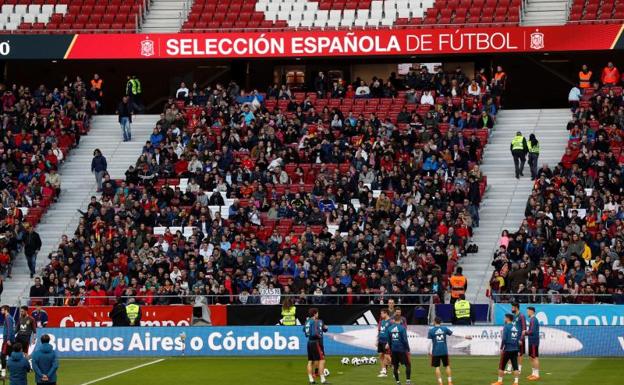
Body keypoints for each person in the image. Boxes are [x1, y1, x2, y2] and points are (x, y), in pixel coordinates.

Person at [428, 317, 472, 385]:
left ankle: (440, 383)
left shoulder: (431, 331)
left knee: (437, 367)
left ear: (434, 322)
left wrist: (429, 351)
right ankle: (449, 382)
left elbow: (429, 343)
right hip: (444, 351)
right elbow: (454, 334)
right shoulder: (444, 329)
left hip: (436, 352)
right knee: (447, 366)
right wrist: (465, 336)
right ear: (440, 322)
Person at [492, 314, 521, 385]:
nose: (504, 319)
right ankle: (516, 382)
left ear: (508, 318)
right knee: (515, 366)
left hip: (508, 349)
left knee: (501, 365)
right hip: (515, 349)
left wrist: (501, 348)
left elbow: (504, 338)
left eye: (505, 318)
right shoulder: (516, 327)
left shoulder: (506, 327)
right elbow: (518, 340)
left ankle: (499, 381)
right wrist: (518, 349)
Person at [303, 308, 328, 384]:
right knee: (322, 360)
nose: (318, 314)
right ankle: (323, 379)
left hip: (309, 342)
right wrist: (325, 328)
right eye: (317, 313)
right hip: (317, 342)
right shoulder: (317, 321)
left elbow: (304, 330)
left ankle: (311, 380)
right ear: (314, 314)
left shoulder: (307, 321)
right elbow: (318, 332)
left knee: (310, 361)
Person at [386, 313, 412, 385]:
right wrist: (407, 348)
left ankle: (398, 382)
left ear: (393, 320)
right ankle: (408, 382)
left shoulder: (389, 329)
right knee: (408, 365)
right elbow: (405, 340)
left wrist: (391, 348)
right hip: (402, 349)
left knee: (395, 366)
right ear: (400, 320)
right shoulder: (402, 328)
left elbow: (389, 340)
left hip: (394, 350)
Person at [506, 302, 527, 374]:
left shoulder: (522, 316)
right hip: (513, 338)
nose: (511, 308)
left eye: (512, 307)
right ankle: (509, 369)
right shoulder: (513, 316)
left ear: (516, 307)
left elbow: (524, 328)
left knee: (520, 354)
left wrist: (521, 339)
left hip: (519, 339)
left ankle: (519, 369)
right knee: (510, 352)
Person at [525, 307, 540, 381]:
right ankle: (533, 373)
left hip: (534, 341)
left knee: (535, 357)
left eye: (528, 311)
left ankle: (537, 375)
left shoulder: (534, 320)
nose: (527, 312)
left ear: (531, 311)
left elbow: (532, 331)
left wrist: (525, 332)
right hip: (531, 341)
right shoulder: (532, 319)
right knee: (531, 357)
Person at [377, 308, 392, 378]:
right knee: (381, 355)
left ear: (386, 313)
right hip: (380, 341)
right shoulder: (381, 321)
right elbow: (379, 331)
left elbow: (392, 333)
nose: (381, 315)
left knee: (387, 356)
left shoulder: (391, 322)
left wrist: (389, 343)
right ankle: (383, 370)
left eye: (382, 313)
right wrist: (377, 340)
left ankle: (395, 367)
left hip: (386, 341)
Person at [1, 305, 15, 377]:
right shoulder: (9, 317)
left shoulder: (8, 318)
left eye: (2, 310)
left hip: (7, 340)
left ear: (6, 310)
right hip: (9, 339)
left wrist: (8, 339)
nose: (1, 311)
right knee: (11, 355)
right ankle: (14, 370)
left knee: (3, 355)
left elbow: (10, 329)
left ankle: (3, 372)